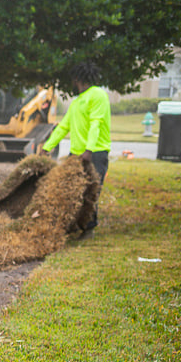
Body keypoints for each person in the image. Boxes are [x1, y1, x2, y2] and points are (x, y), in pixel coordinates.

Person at [39, 62, 111, 235]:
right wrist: (47, 147)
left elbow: (96, 124)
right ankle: (73, 224)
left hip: (95, 153)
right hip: (77, 154)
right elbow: (63, 127)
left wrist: (89, 150)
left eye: (73, 80)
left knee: (91, 191)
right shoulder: (77, 102)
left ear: (78, 79)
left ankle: (88, 229)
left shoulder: (98, 95)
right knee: (73, 190)